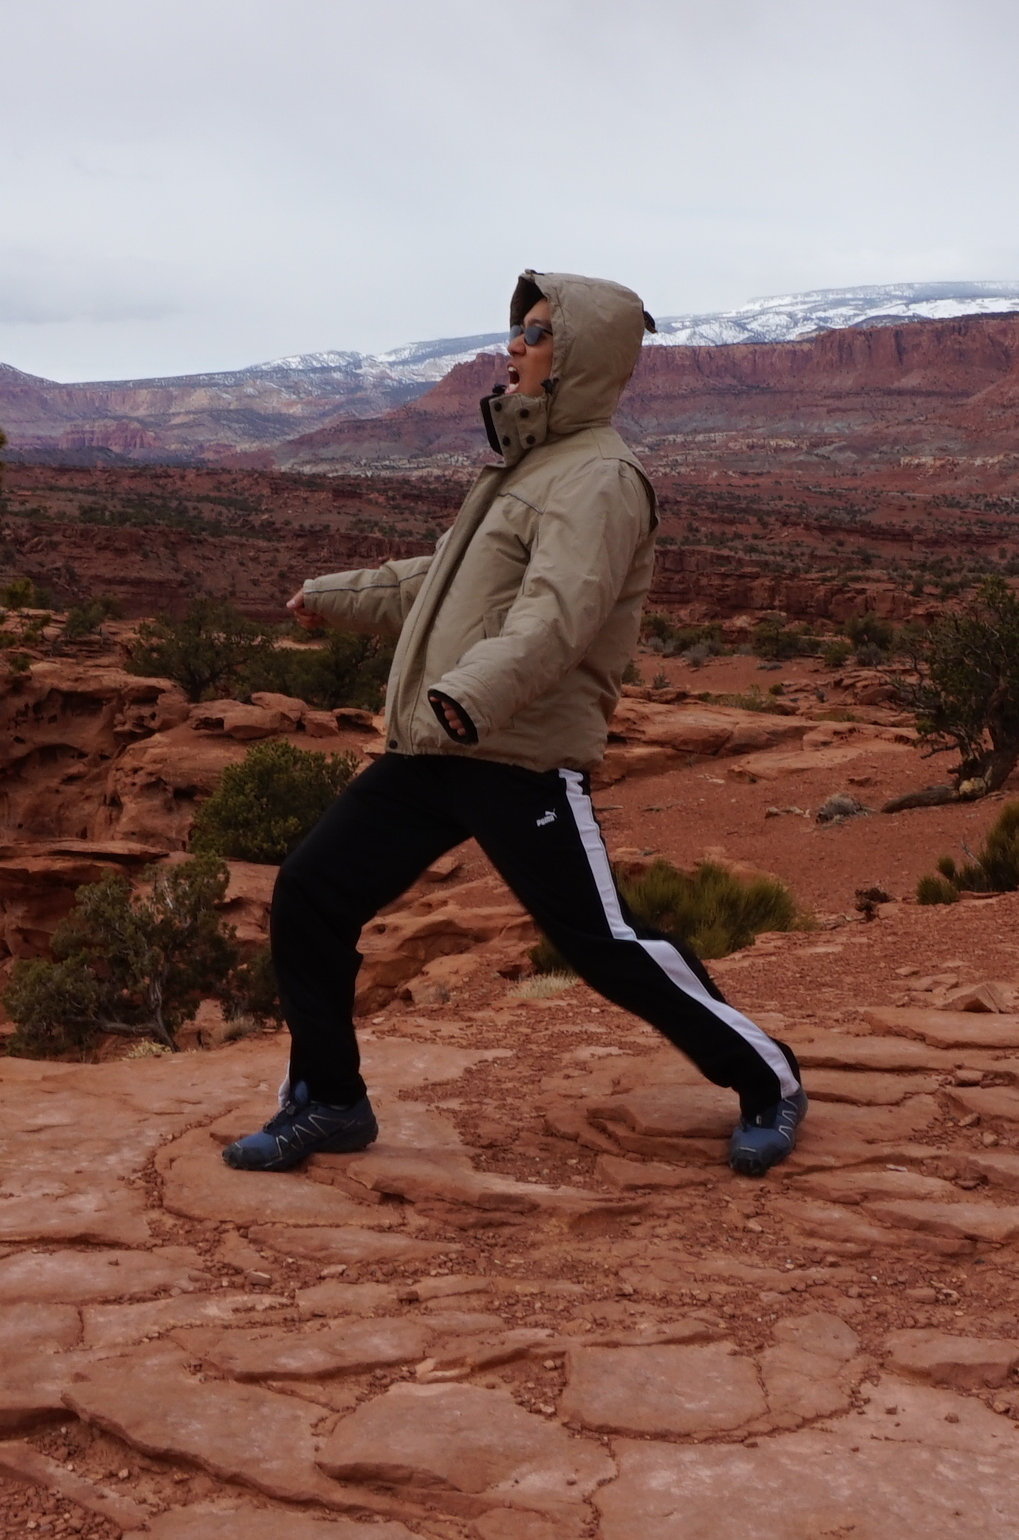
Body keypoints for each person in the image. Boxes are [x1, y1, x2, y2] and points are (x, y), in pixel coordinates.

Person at [220, 270, 809, 1179]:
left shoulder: (601, 479)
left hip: (515, 751)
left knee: (603, 947)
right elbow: (445, 582)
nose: (515, 346)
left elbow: (556, 617)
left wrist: (471, 697)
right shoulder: (526, 462)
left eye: (535, 333)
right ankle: (332, 1100)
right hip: (438, 743)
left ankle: (770, 1080)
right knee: (310, 893)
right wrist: (334, 597)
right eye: (518, 330)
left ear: (577, 356)